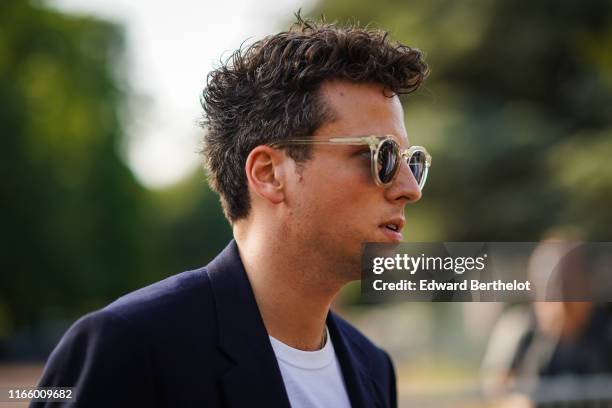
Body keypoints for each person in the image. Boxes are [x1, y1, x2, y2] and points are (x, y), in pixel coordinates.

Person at [34, 14, 430, 407]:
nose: (409, 190)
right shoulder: (129, 349)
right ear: (270, 174)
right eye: (382, 155)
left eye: (411, 161)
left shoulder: (374, 368)